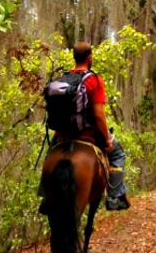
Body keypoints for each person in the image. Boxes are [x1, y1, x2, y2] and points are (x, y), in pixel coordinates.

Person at [48, 41, 130, 211]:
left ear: (73, 57)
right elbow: (99, 115)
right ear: (90, 57)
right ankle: (115, 197)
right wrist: (106, 139)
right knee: (118, 153)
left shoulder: (63, 80)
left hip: (62, 136)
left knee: (50, 157)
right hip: (87, 134)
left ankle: (47, 197)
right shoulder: (94, 80)